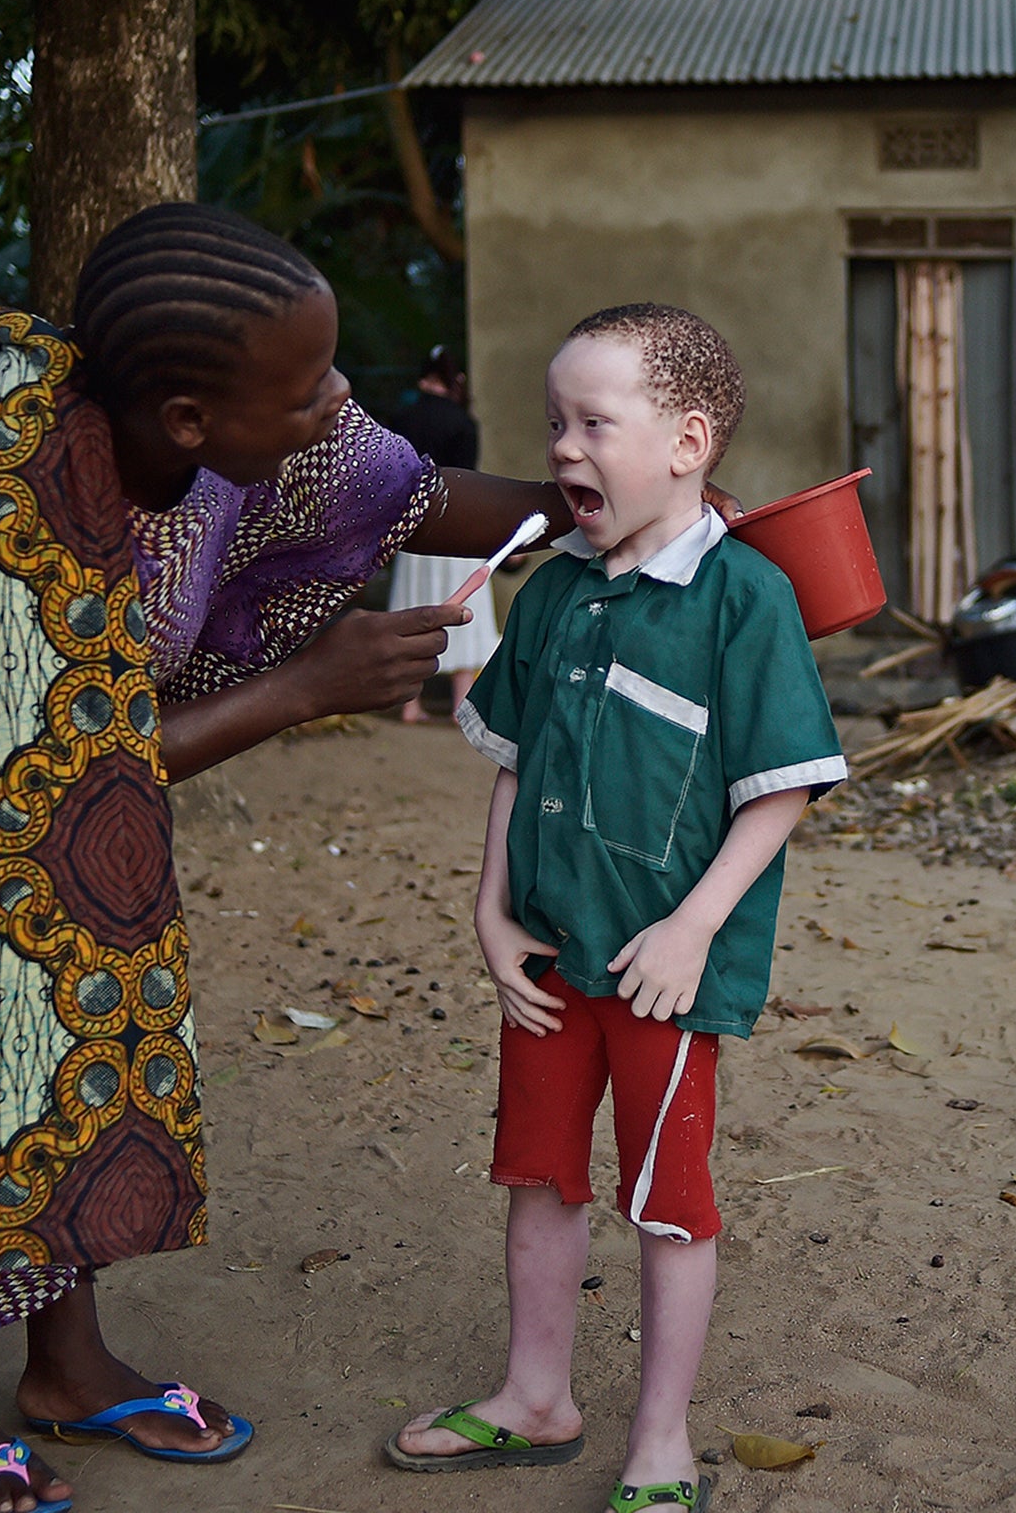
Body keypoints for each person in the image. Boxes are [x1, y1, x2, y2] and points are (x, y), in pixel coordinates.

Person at [0, 202, 582, 1513]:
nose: (339, 402)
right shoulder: (12, 491)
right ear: (195, 422)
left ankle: (69, 1368)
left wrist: (597, 503)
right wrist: (304, 690)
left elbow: (406, 493)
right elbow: (41, 777)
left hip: (29, 742)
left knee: (67, 990)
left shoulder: (216, 430)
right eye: (309, 385)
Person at [385, 304, 847, 1512]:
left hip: (662, 972)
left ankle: (662, 1440)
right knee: (537, 1179)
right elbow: (511, 765)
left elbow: (782, 791)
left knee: (665, 1203)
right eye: (554, 423)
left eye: (595, 422)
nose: (563, 448)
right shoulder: (548, 596)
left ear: (687, 440)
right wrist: (488, 914)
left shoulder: (742, 600)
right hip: (544, 959)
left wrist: (692, 928)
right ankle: (534, 1395)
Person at [384, 346, 498, 723]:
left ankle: (410, 704)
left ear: (423, 378)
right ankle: (459, 702)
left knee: (413, 605)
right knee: (464, 605)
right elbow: (469, 481)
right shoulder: (463, 423)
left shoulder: (401, 418)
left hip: (412, 530)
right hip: (457, 529)